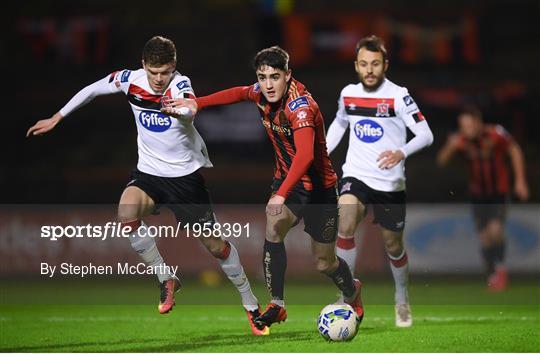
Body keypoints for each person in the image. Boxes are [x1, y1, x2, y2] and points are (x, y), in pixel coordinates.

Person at [26, 36, 269, 336]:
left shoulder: (180, 84)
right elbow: (92, 89)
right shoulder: (130, 80)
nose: (158, 79)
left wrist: (178, 110)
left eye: (164, 72)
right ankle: (166, 277)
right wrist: (57, 116)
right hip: (150, 173)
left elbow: (191, 108)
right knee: (126, 210)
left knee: (216, 247)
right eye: (153, 72)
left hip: (185, 179)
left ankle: (251, 305)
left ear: (173, 68)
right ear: (143, 65)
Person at [163, 46, 364, 329]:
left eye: (274, 77)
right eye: (262, 77)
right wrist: (198, 103)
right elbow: (237, 93)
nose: (268, 84)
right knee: (273, 223)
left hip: (319, 189)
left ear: (288, 75)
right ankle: (277, 304)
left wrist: (281, 194)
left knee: (325, 263)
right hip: (288, 182)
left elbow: (305, 156)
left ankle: (352, 290)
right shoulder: (260, 92)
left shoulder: (301, 106)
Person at [325, 35, 434, 328]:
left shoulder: (399, 96)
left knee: (393, 246)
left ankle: (401, 297)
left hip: (389, 183)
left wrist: (402, 151)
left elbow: (426, 134)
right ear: (356, 66)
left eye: (375, 64)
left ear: (385, 64)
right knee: (345, 221)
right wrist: (321, 153)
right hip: (356, 174)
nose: (369, 70)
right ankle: (347, 295)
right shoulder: (348, 93)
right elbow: (340, 123)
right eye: (363, 64)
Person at [437, 106, 529, 292]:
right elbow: (441, 162)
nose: (466, 129)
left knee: (495, 231)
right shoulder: (461, 141)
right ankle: (492, 273)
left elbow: (514, 150)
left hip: (498, 192)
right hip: (477, 194)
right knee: (485, 239)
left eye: (469, 125)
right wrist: (450, 146)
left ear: (478, 123)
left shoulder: (495, 133)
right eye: (462, 126)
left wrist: (520, 180)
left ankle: (500, 270)